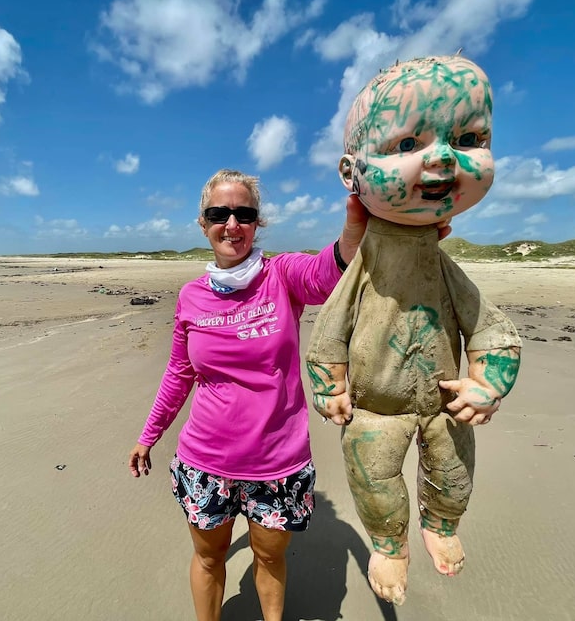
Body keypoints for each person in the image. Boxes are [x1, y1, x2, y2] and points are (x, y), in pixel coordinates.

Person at [128, 168, 448, 621]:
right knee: (207, 558)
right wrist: (149, 435)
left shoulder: (281, 276)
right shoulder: (191, 296)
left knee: (270, 557)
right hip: (204, 461)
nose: (232, 224)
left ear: (258, 222)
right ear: (204, 223)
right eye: (220, 213)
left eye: (244, 213)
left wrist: (357, 223)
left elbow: (331, 269)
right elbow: (179, 373)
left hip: (276, 463)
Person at [305, 55, 522, 606]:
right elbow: (331, 325)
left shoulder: (444, 266)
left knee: (454, 477)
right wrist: (331, 386)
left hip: (445, 404)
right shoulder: (367, 263)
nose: (444, 159)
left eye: (469, 137)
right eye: (407, 146)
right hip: (374, 407)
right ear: (351, 173)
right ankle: (387, 544)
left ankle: (442, 525)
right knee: (374, 479)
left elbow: (490, 330)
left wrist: (488, 382)